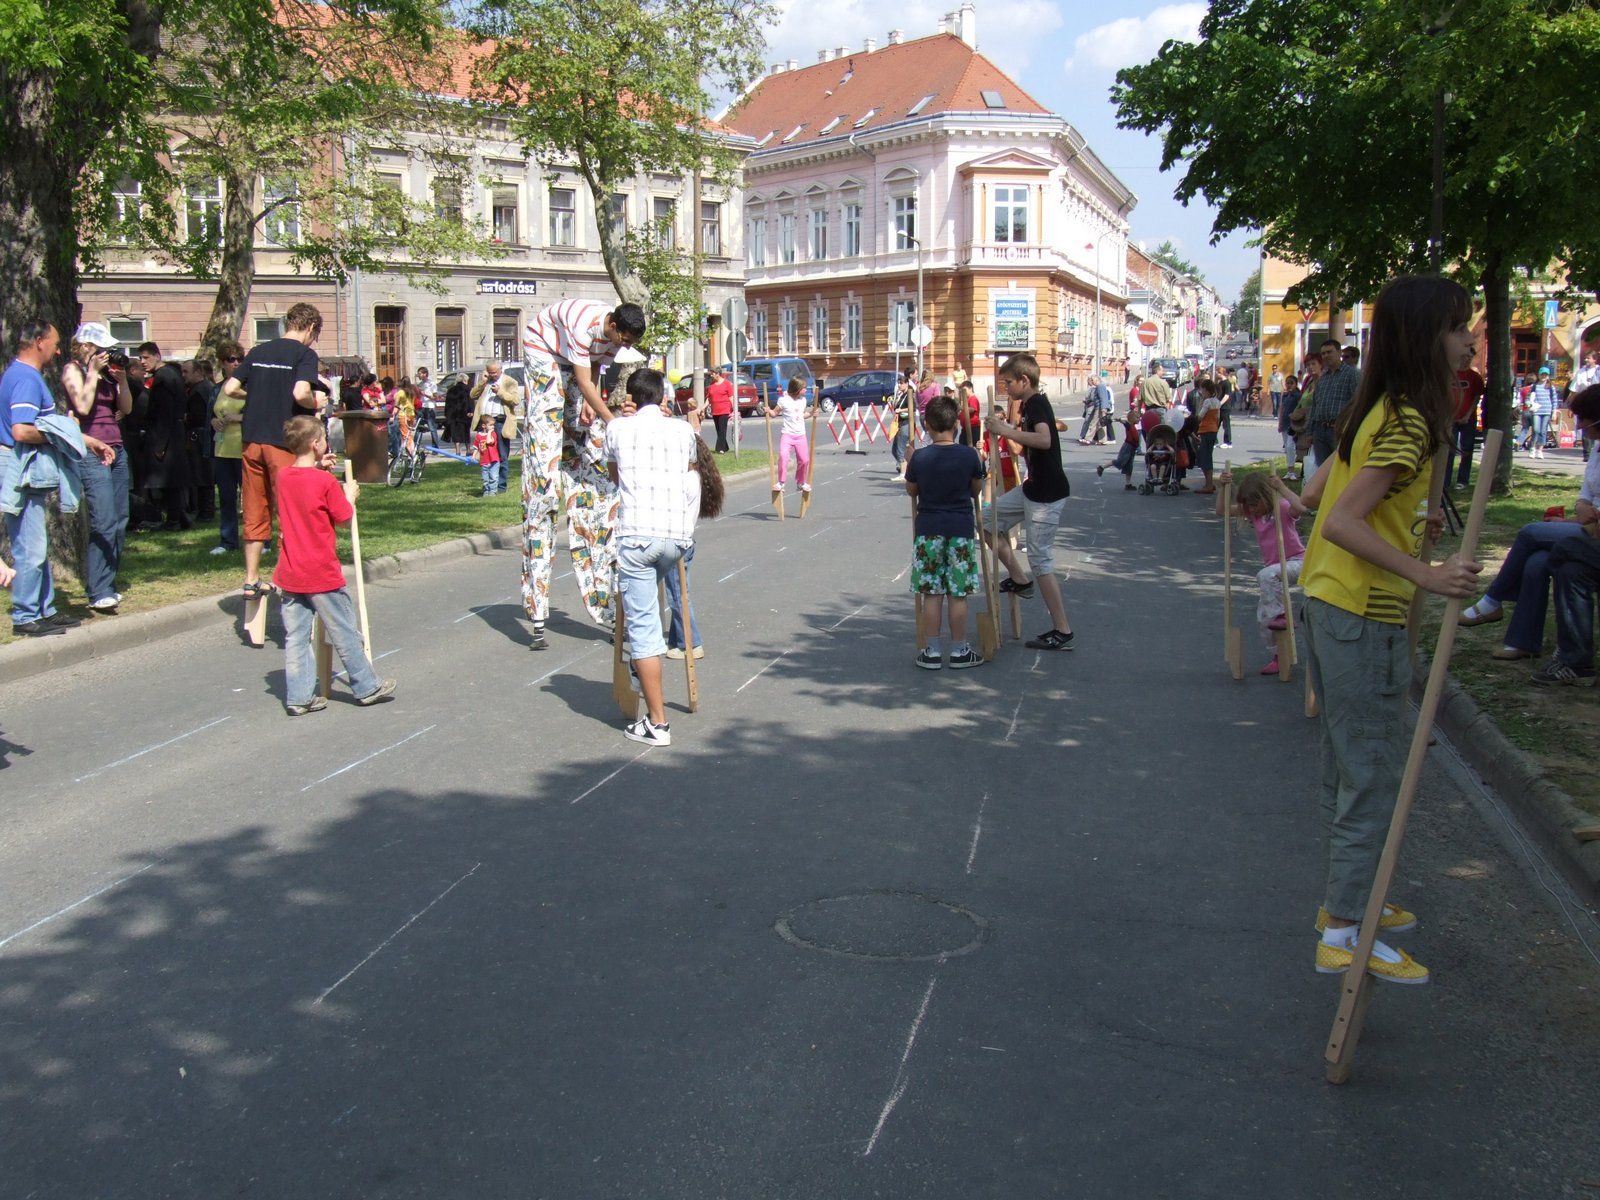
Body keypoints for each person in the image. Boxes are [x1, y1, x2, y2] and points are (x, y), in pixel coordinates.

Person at [1299, 274, 1481, 986]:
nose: (1470, 342)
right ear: (1426, 336)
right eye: (1459, 328)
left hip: (1329, 601)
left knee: (1348, 769)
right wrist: (1425, 573)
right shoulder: (1406, 420)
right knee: (1372, 774)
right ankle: (1346, 928)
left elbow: (1318, 491)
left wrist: (1406, 518)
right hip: (1362, 612)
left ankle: (1349, 901)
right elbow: (1339, 520)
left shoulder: (1381, 408)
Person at [520, 299, 646, 648]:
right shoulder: (583, 326)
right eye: (625, 340)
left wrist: (591, 405)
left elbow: (593, 373)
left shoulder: (612, 340)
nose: (626, 346)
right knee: (546, 444)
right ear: (613, 327)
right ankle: (537, 604)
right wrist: (612, 420)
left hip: (571, 360)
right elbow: (581, 376)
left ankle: (605, 604)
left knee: (584, 426)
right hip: (543, 347)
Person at [1460, 385, 1600, 662]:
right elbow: (1585, 494)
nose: (1579, 425)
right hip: (1587, 526)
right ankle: (1522, 642)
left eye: (1583, 418)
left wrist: (1579, 517)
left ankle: (1493, 600)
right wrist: (1581, 509)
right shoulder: (1596, 449)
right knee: (1536, 562)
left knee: (1531, 532)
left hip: (1595, 535)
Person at [271, 415, 395, 714]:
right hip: (320, 571)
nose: (327, 443)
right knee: (344, 631)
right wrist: (348, 495)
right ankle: (366, 686)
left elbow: (304, 493)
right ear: (316, 444)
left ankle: (299, 697)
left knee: (297, 637)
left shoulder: (283, 477)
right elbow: (343, 517)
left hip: (291, 571)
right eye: (324, 439)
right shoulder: (325, 481)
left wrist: (318, 466)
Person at [605, 368, 702, 745]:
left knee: (644, 627)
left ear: (631, 398)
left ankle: (657, 723)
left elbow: (615, 476)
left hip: (637, 536)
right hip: (675, 537)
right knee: (652, 609)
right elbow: (689, 472)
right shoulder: (682, 431)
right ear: (663, 397)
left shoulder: (617, 428)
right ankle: (643, 672)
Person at [2, 320, 106, 636]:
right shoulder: (26, 378)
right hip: (20, 469)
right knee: (30, 545)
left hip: (26, 470)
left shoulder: (22, 375)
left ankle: (44, 610)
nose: (59, 350)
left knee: (37, 542)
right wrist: (60, 435)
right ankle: (26, 616)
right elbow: (22, 431)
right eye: (55, 343)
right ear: (38, 341)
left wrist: (83, 440)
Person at [222, 302, 324, 603]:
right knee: (290, 509)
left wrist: (257, 393)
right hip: (283, 441)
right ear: (310, 328)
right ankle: (292, 577)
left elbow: (230, 388)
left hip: (252, 440)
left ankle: (251, 579)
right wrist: (315, 404)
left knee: (255, 507)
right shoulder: (304, 354)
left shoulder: (258, 351)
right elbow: (300, 393)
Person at [981, 353, 1074, 651]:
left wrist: (1006, 431)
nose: (1006, 388)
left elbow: (1045, 440)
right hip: (1032, 488)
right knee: (985, 520)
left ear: (1024, 380)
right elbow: (1027, 446)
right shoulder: (1028, 405)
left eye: (1009, 382)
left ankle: (1062, 629)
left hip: (1047, 495)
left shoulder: (1036, 404)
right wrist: (1007, 434)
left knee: (1040, 559)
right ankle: (1020, 579)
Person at [907, 393, 986, 669]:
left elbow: (912, 490)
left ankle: (931, 650)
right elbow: (976, 490)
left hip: (928, 529)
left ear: (926, 425)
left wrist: (910, 463)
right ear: (957, 425)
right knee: (958, 593)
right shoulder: (969, 455)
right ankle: (960, 650)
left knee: (932, 593)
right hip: (960, 529)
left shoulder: (920, 457)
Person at [62, 322, 133, 610]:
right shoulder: (73, 370)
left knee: (119, 520)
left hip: (117, 448)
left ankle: (108, 582)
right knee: (103, 519)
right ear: (86, 347)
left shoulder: (106, 376)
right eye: (101, 348)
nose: (106, 354)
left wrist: (122, 381)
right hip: (91, 450)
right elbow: (81, 406)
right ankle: (98, 590)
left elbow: (126, 408)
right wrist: (91, 372)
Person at [1217, 470, 1308, 674]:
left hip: (1297, 563)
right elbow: (1222, 510)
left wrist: (1281, 487)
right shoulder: (1254, 514)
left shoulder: (1282, 508)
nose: (1251, 509)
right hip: (1275, 571)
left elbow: (1301, 506)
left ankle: (1282, 614)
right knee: (1265, 617)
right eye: (1248, 506)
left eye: (1254, 504)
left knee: (1265, 575)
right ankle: (1279, 654)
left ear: (1266, 497)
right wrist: (1223, 488)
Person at [664, 438, 722, 661]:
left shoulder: (686, 479)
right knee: (679, 592)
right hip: (685, 541)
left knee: (678, 596)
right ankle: (677, 639)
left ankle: (692, 643)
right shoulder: (695, 477)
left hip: (677, 541)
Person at [136, 341, 193, 530]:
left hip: (166, 434)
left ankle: (174, 520)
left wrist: (160, 445)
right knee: (172, 481)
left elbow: (165, 412)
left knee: (168, 481)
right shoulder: (170, 374)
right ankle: (179, 517)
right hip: (173, 432)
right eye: (140, 358)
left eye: (146, 357)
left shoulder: (163, 377)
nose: (142, 362)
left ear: (157, 356)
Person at [210, 349, 247, 556]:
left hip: (245, 448)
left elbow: (261, 412)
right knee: (226, 497)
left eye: (240, 359)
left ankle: (260, 539)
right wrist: (213, 421)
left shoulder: (249, 386)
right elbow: (211, 413)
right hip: (222, 449)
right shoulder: (217, 388)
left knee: (251, 499)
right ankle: (228, 541)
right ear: (223, 362)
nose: (236, 363)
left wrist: (239, 418)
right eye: (231, 359)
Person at [1306, 338, 1361, 471]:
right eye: (1323, 353)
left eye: (1329, 352)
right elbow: (1315, 406)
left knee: (1340, 467)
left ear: (1339, 352)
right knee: (1322, 469)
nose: (1326, 355)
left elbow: (1357, 403)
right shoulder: (1323, 378)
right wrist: (1310, 431)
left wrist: (1350, 428)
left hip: (1339, 429)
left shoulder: (1352, 374)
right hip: (1320, 430)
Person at [766, 376, 813, 495]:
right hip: (787, 434)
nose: (806, 390)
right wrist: (768, 411)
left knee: (804, 460)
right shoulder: (783, 400)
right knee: (783, 456)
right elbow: (774, 413)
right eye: (804, 388)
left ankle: (801, 482)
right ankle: (781, 482)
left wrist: (812, 413)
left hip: (800, 435)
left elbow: (802, 415)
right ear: (797, 388)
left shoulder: (803, 400)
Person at [1448, 364, 1486, 488]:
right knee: (1449, 450)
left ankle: (1462, 480)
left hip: (1468, 419)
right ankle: (1445, 481)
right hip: (1451, 419)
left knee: (1467, 450)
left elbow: (1477, 397)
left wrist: (1467, 415)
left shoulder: (1474, 377)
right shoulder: (1449, 374)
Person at [1096, 405, 1143, 491]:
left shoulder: (1133, 426)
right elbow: (1125, 423)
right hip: (1128, 447)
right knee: (1119, 462)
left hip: (1132, 448)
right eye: (1137, 418)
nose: (1139, 419)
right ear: (1132, 419)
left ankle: (1128, 484)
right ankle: (1102, 467)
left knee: (1129, 466)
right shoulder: (1129, 425)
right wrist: (1119, 420)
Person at [1192, 377, 1221, 494]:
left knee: (1204, 457)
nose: (1201, 392)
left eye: (1202, 390)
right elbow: (1218, 418)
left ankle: (1208, 484)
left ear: (1206, 390)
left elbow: (1200, 416)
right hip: (1213, 430)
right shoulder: (1217, 401)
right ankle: (1209, 483)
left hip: (1206, 430)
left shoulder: (1207, 402)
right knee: (1207, 456)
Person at [1523, 367, 1558, 458]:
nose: (1543, 376)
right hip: (1536, 411)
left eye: (1545, 375)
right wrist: (1529, 404)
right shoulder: (1534, 386)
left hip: (1547, 411)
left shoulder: (1551, 387)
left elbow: (1554, 400)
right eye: (1542, 374)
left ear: (1548, 376)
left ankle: (1540, 450)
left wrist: (1554, 412)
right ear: (1538, 375)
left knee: (1543, 431)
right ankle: (1532, 448)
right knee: (1536, 430)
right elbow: (1528, 398)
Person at [705, 365, 734, 453]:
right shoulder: (711, 385)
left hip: (724, 410)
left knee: (722, 429)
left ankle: (720, 449)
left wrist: (734, 409)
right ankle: (725, 447)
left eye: (712, 373)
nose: (711, 375)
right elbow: (709, 399)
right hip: (715, 411)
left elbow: (731, 397)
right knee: (719, 430)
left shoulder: (727, 383)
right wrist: (702, 408)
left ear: (717, 374)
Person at [889, 372, 913, 478]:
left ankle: (903, 473)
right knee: (894, 450)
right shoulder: (901, 395)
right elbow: (896, 407)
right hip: (899, 423)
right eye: (898, 383)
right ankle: (906, 468)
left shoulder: (909, 395)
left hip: (905, 423)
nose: (899, 385)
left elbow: (912, 407)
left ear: (907, 384)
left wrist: (901, 410)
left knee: (900, 450)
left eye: (901, 383)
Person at [414, 365, 441, 448]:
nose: (419, 375)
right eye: (418, 374)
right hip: (421, 407)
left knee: (432, 428)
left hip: (429, 407)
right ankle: (415, 447)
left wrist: (425, 394)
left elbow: (435, 397)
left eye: (420, 373)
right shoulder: (420, 384)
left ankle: (435, 447)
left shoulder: (432, 384)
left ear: (425, 374)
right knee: (418, 427)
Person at [473, 412, 500, 497]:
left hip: (494, 460)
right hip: (484, 461)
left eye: (493, 425)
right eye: (490, 425)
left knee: (493, 477)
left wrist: (489, 432)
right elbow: (476, 447)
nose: (493, 427)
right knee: (485, 479)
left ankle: (492, 492)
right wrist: (473, 456)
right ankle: (486, 491)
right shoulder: (479, 436)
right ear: (484, 426)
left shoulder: (493, 434)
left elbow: (488, 441)